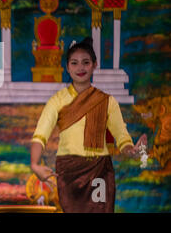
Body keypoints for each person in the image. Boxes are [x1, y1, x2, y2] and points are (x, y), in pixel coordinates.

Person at [30, 37, 147, 213]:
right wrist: (34, 164)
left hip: (99, 170)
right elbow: (40, 135)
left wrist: (131, 150)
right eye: (74, 63)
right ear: (68, 68)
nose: (80, 68)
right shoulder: (57, 101)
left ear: (94, 65)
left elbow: (122, 137)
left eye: (86, 62)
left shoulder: (107, 101)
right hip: (69, 172)